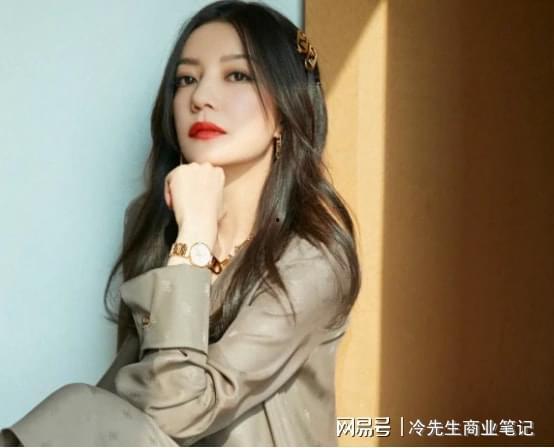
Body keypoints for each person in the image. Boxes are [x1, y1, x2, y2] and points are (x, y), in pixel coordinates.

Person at [0, 0, 361, 446]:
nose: (200, 97)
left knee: (80, 406)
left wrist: (193, 240)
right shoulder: (154, 223)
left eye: (237, 75)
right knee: (82, 409)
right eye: (186, 79)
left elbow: (176, 410)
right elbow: (135, 398)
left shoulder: (314, 257)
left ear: (286, 113)